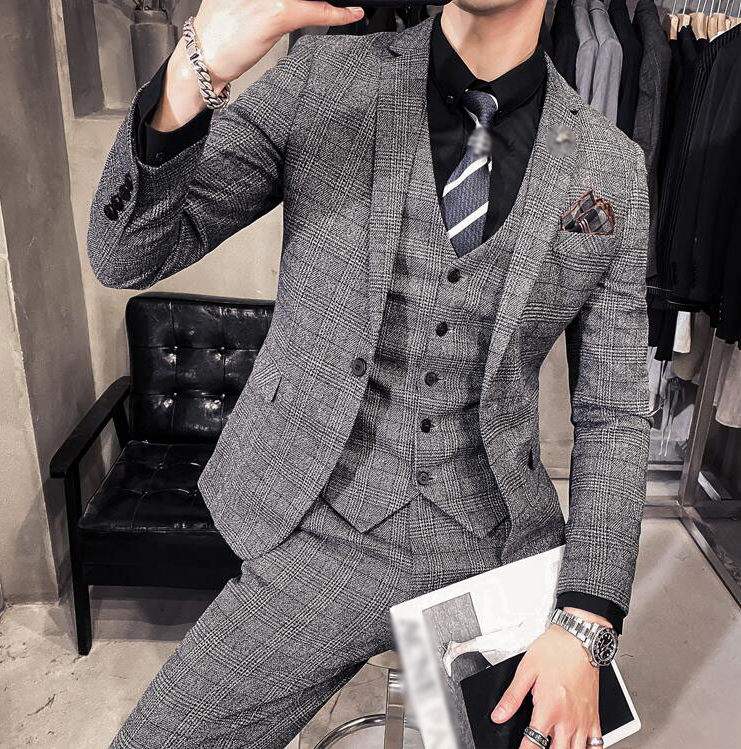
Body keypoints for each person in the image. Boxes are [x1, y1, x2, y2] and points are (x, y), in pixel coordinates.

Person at [87, 0, 651, 746]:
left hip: (494, 547)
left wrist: (587, 617)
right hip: (317, 533)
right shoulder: (324, 80)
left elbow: (615, 410)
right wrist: (198, 68)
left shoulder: (610, 168)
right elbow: (126, 253)